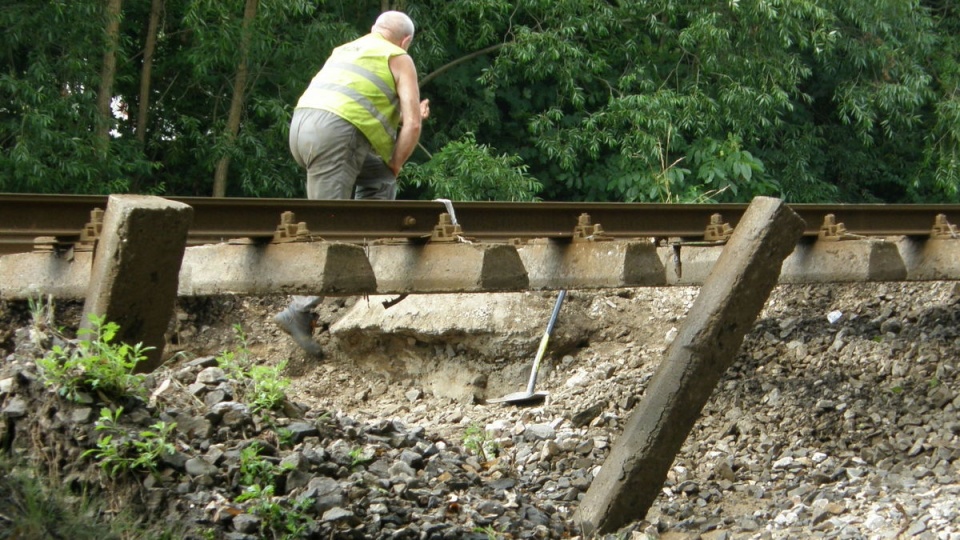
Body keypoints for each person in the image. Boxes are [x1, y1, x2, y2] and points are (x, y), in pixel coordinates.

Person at [274, 11, 429, 355]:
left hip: (303, 128)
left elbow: (362, 104)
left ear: (375, 30)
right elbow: (412, 125)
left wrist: (388, 166)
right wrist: (398, 162)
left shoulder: (346, 49)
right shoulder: (399, 57)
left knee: (379, 179)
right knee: (328, 226)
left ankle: (361, 263)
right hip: (337, 135)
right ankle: (299, 310)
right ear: (404, 40)